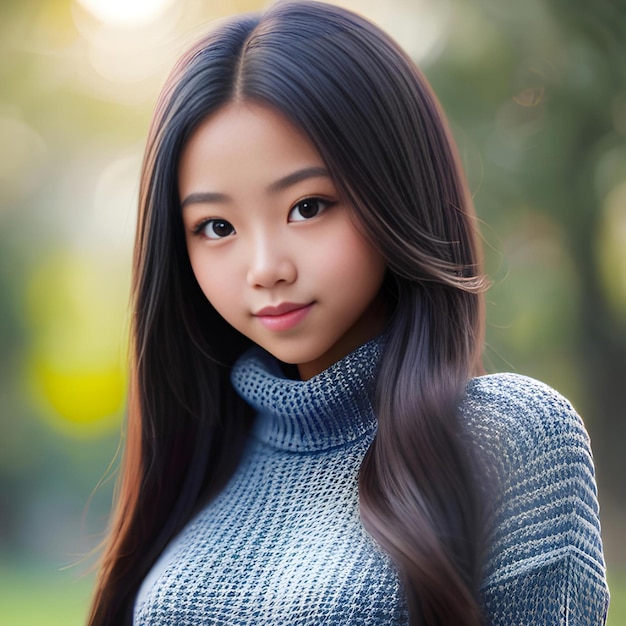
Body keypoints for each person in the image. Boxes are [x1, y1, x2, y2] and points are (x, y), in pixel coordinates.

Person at [87, 1, 610, 624]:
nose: (265, 267)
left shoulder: (508, 436)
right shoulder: (199, 456)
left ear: (395, 192)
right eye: (217, 226)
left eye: (308, 207)